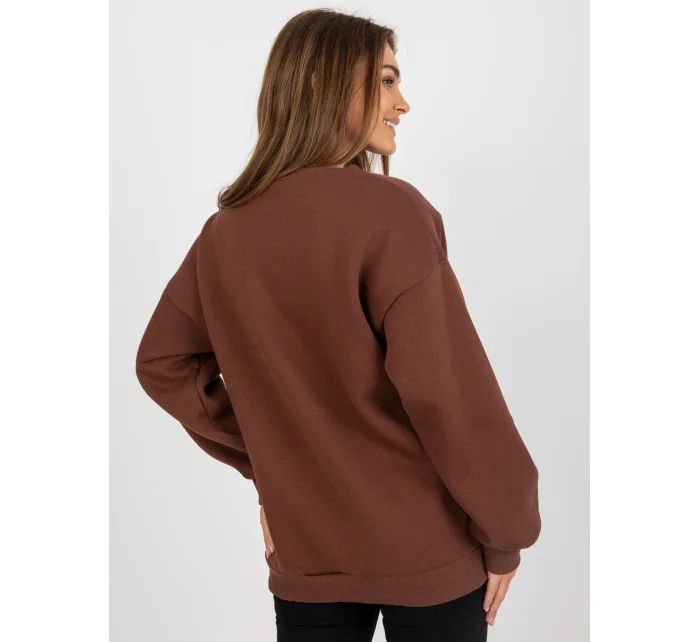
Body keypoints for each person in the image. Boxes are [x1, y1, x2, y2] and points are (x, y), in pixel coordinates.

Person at [135, 8, 541, 642]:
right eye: (386, 81)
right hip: (427, 549)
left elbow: (163, 363)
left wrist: (278, 468)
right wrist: (508, 530)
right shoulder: (392, 214)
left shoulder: (225, 233)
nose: (402, 103)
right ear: (325, 84)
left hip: (307, 550)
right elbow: (451, 398)